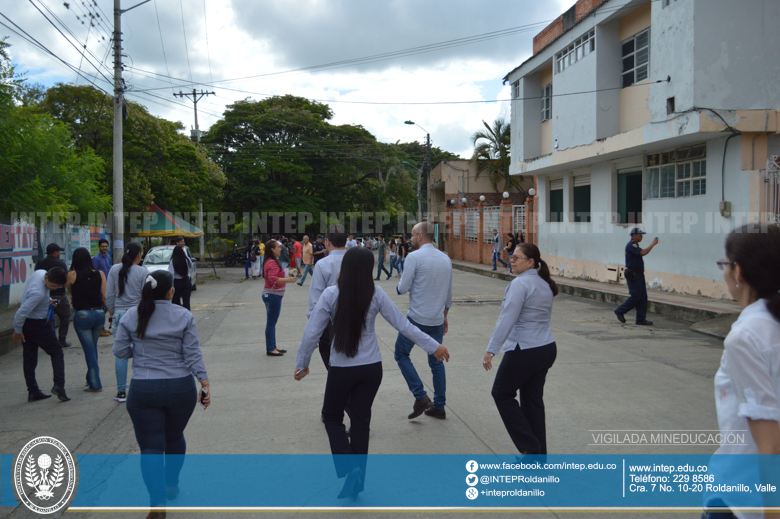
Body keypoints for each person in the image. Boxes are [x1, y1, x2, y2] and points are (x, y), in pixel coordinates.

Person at [294, 246, 449, 499]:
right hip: (371, 369)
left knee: (332, 417)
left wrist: (302, 362)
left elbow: (312, 332)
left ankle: (349, 466)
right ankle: (356, 484)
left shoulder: (331, 294)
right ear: (367, 269)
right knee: (361, 422)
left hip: (342, 370)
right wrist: (433, 346)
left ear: (345, 268)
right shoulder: (375, 293)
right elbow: (403, 325)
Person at [113, 270, 210, 512]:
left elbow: (120, 352)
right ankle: (171, 485)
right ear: (171, 291)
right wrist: (204, 383)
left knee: (151, 446)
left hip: (143, 389)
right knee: (174, 436)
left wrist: (144, 351)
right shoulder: (183, 316)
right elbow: (192, 353)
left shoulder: (130, 316)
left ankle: (157, 501)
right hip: (180, 388)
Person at [702, 224, 780, 518]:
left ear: (738, 272)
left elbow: (770, 444)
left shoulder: (746, 336)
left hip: (743, 499)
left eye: (725, 264)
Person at [483, 242, 559, 456]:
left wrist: (491, 349)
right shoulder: (544, 283)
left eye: (517, 257)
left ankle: (530, 446)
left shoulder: (520, 284)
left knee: (501, 393)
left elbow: (507, 318)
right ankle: (538, 455)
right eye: (511, 256)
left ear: (531, 262)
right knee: (532, 402)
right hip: (545, 348)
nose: (512, 260)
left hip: (525, 349)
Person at [394, 222, 453, 419]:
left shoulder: (414, 257)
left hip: (416, 319)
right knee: (436, 361)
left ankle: (420, 396)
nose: (410, 239)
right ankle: (439, 406)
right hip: (436, 319)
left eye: (412, 235)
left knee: (401, 354)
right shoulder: (445, 259)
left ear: (420, 236)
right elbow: (448, 295)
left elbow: (402, 288)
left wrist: (398, 285)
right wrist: (444, 317)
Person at [13, 267, 70, 402]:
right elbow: (21, 313)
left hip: (30, 323)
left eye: (57, 287)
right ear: (46, 278)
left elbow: (40, 296)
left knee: (29, 357)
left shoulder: (40, 273)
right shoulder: (37, 293)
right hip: (37, 324)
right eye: (52, 286)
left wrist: (48, 301)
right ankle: (59, 385)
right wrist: (17, 331)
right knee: (56, 352)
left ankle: (33, 391)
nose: (54, 289)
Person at [107, 242, 150, 402]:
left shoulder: (113, 269)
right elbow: (146, 296)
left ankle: (121, 392)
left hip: (119, 315)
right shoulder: (143, 272)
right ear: (139, 255)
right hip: (138, 315)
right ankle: (143, 388)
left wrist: (113, 310)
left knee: (120, 354)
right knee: (142, 351)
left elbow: (109, 294)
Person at [66, 248, 108, 392]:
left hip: (82, 315)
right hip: (98, 314)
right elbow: (104, 296)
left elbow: (71, 294)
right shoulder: (101, 274)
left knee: (89, 350)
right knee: (92, 348)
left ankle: (96, 384)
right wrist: (110, 311)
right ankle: (90, 379)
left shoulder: (71, 275)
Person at [307, 225, 348, 370]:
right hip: (355, 322)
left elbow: (315, 302)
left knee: (334, 370)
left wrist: (315, 330)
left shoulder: (322, 264)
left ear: (327, 241)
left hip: (330, 326)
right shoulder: (356, 261)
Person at [614, 228, 658, 326]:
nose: (642, 237)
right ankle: (620, 311)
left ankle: (641, 319)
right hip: (633, 274)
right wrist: (653, 244)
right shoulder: (631, 245)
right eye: (640, 235)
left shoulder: (636, 245)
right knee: (636, 296)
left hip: (639, 274)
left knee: (643, 297)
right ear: (634, 235)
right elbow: (643, 252)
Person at [262, 240, 298, 356]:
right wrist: (289, 280)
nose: (280, 249)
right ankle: (270, 348)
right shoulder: (272, 262)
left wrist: (288, 273)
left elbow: (278, 274)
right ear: (272, 249)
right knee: (271, 323)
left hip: (273, 295)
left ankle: (273, 346)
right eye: (278, 247)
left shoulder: (271, 261)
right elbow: (273, 279)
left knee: (272, 323)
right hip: (273, 295)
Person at [35, 243, 72, 348]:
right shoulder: (61, 264)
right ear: (56, 252)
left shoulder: (40, 263)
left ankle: (51, 341)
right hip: (59, 295)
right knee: (65, 317)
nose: (59, 253)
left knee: (48, 319)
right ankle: (62, 340)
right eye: (58, 251)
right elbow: (66, 280)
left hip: (44, 296)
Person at [93, 239, 113, 336]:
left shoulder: (107, 258)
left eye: (106, 246)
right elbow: (94, 272)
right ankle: (99, 329)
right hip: (99, 286)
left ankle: (102, 328)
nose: (104, 248)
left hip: (107, 284)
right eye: (102, 246)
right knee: (102, 307)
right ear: (99, 247)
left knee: (104, 308)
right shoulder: (96, 259)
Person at [168, 245, 193, 310]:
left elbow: (171, 274)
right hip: (186, 281)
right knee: (186, 301)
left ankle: (177, 316)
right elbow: (191, 266)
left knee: (176, 302)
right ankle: (187, 316)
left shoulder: (173, 261)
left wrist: (171, 285)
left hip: (177, 282)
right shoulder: (186, 259)